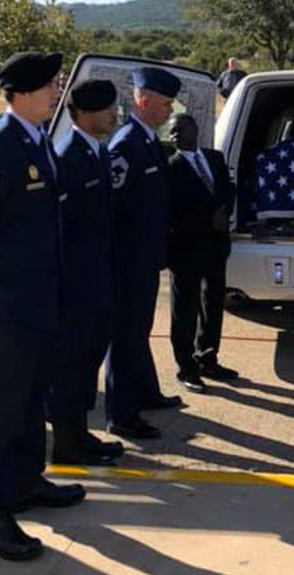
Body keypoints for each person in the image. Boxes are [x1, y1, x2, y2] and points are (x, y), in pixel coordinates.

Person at [0, 51, 86, 562]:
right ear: (23, 93)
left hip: (39, 301)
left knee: (31, 400)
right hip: (7, 307)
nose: (57, 92)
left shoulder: (38, 141)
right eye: (51, 85)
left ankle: (27, 483)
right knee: (4, 408)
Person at [48, 78, 125, 465]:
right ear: (81, 113)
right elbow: (61, 229)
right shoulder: (67, 155)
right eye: (105, 109)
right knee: (71, 364)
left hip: (97, 278)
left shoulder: (98, 151)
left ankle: (79, 432)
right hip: (75, 283)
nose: (113, 114)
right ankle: (65, 444)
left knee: (88, 358)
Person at [104, 66, 183, 440]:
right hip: (128, 260)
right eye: (166, 103)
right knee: (125, 335)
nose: (171, 111)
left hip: (146, 256)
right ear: (144, 99)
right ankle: (122, 414)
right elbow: (113, 211)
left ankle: (145, 393)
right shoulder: (125, 144)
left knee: (140, 330)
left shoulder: (148, 140)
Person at [166, 113, 238, 393]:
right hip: (186, 247)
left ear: (195, 130)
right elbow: (170, 211)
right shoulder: (170, 167)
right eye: (171, 131)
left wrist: (224, 211)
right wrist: (206, 220)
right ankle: (186, 367)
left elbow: (228, 190)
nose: (174, 135)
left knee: (213, 302)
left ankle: (208, 357)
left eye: (179, 129)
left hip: (217, 245)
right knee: (185, 310)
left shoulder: (215, 158)